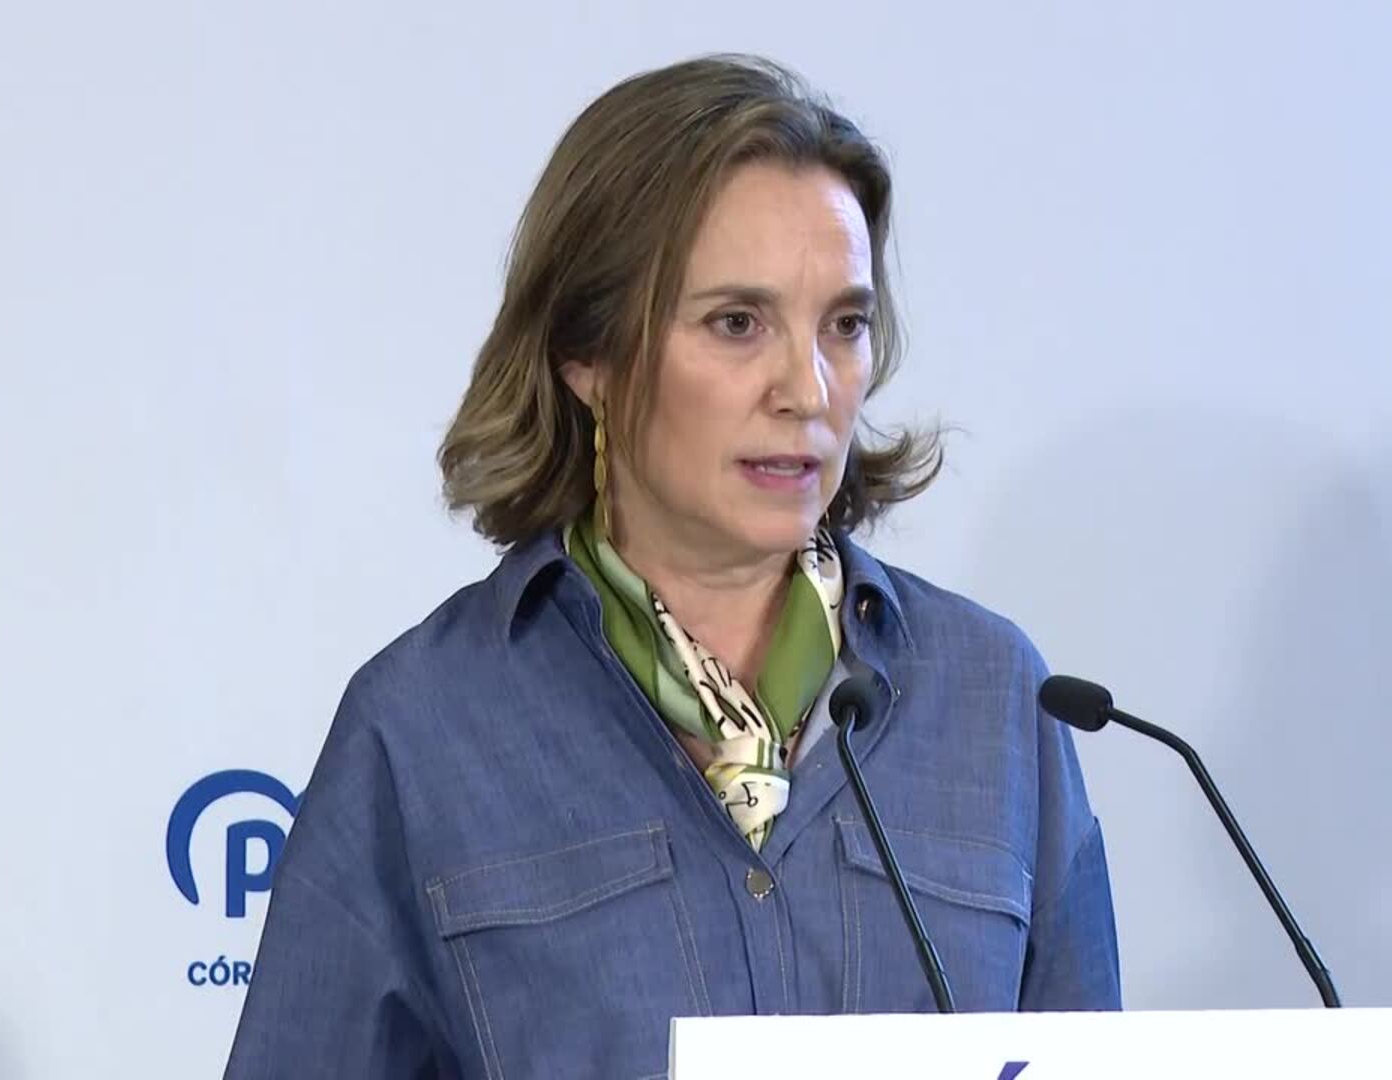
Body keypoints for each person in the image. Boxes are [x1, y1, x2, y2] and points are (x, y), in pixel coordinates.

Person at [224, 52, 1120, 1079]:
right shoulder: (424, 726)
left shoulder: (995, 698)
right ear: (589, 356)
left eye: (845, 325)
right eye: (738, 324)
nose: (807, 389)